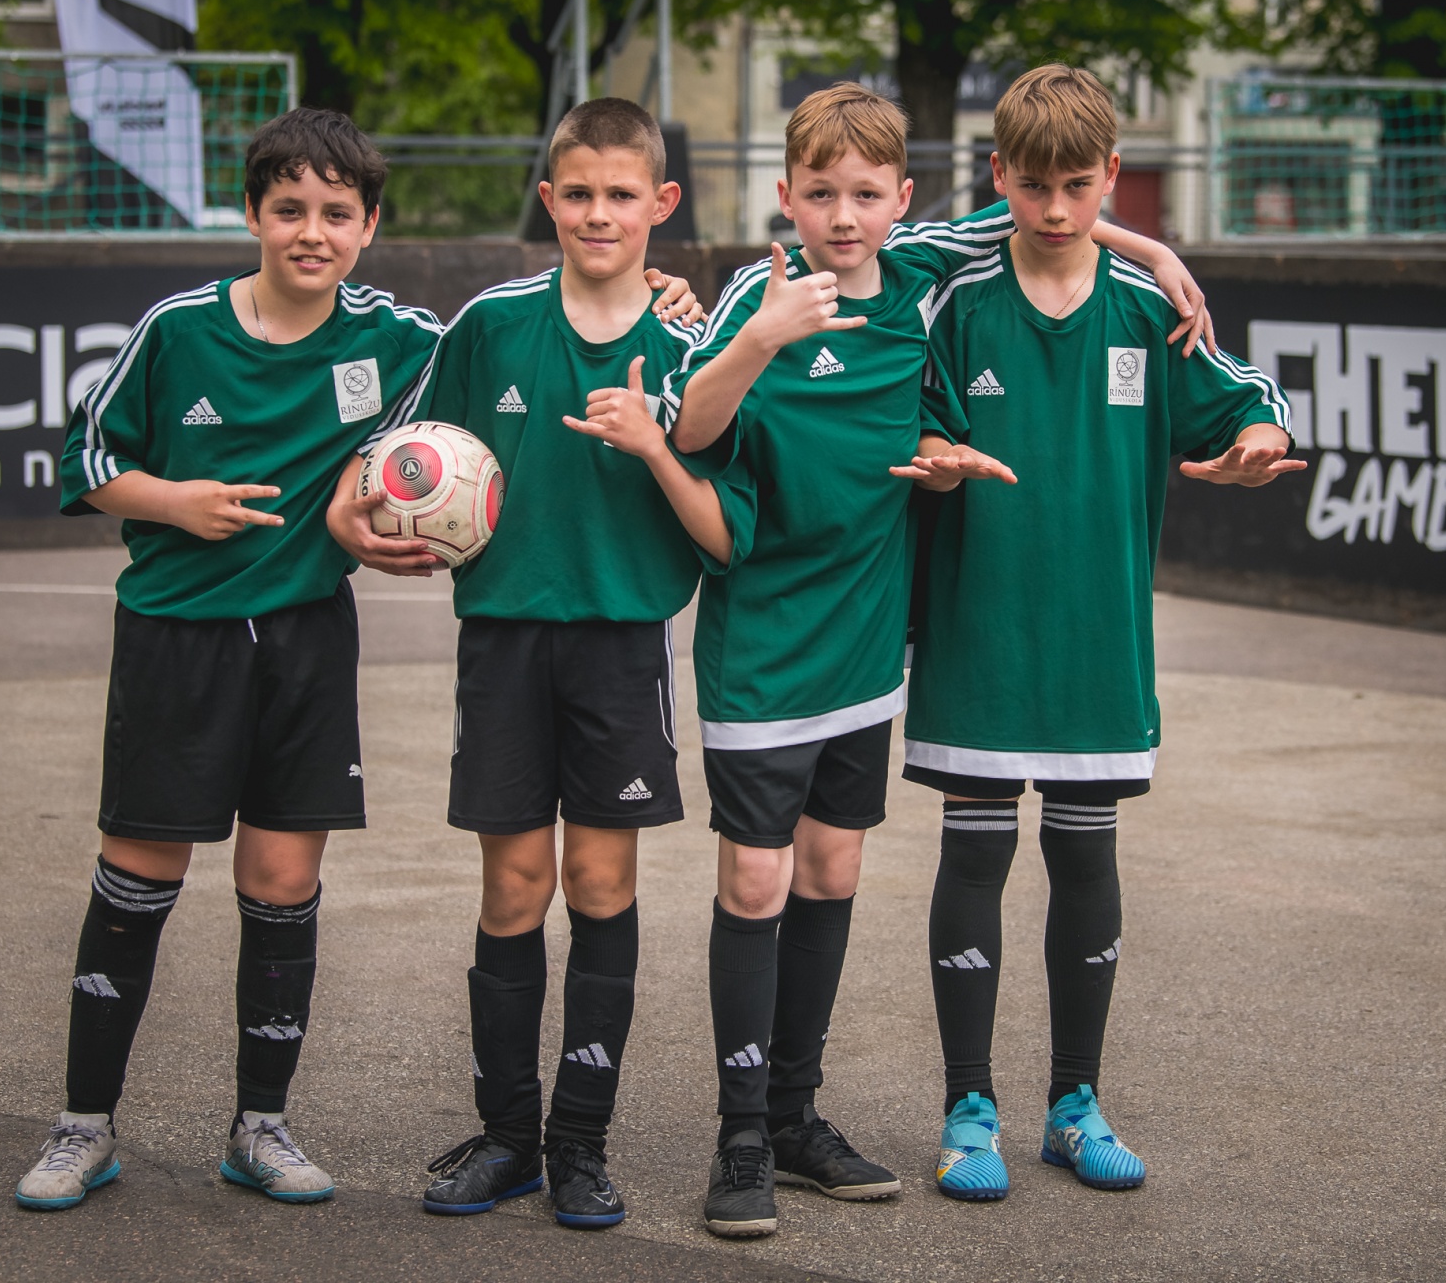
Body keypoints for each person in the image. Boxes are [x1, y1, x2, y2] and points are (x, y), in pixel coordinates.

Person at [17, 106, 700, 1213]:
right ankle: (82, 1125)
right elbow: (87, 454)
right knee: (141, 880)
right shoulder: (185, 328)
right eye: (288, 209)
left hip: (310, 640)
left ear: (370, 225)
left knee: (286, 884)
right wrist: (177, 502)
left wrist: (669, 291)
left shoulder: (404, 335)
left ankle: (269, 1127)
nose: (312, 231)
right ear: (252, 213)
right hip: (179, 637)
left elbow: (543, 332)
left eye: (337, 213)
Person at [660, 82, 1219, 1239]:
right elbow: (691, 428)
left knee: (831, 875)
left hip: (868, 654)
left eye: (867, 196)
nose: (845, 216)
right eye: (821, 194)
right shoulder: (769, 293)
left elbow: (1041, 210)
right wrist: (759, 333)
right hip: (766, 647)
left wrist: (1151, 247)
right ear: (786, 197)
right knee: (758, 884)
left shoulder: (918, 276)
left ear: (901, 201)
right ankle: (743, 1138)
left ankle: (796, 1116)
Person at [328, 97, 745, 1230]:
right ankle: (510, 1137)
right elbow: (396, 447)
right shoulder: (491, 325)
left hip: (622, 644)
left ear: (660, 203)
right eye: (580, 194)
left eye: (623, 195)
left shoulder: (693, 345)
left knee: (602, 886)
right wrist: (355, 505)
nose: (599, 214)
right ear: (549, 198)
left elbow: (723, 498)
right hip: (504, 642)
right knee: (514, 886)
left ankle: (581, 1145)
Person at [898, 65, 1302, 1204]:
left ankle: (1074, 1106)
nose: (1057, 208)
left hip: (1098, 641)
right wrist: (933, 457)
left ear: (1112, 175)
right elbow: (886, 290)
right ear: (997, 177)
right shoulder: (955, 298)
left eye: (1079, 186)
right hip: (978, 632)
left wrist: (1260, 445)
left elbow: (1250, 396)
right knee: (974, 856)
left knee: (1086, 858)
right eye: (1033, 186)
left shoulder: (1147, 310)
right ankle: (968, 1111)